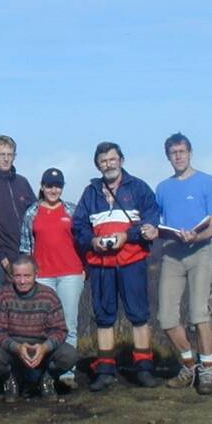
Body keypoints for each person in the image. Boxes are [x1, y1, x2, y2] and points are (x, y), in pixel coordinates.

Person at [72, 141, 162, 391]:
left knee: (139, 315)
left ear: (121, 160)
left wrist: (128, 236)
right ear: (97, 165)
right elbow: (78, 225)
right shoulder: (90, 193)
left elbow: (152, 216)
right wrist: (92, 240)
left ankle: (144, 368)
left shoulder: (139, 188)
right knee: (104, 317)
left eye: (112, 159)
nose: (109, 165)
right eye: (103, 161)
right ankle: (105, 369)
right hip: (101, 263)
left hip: (132, 260)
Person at [156, 132, 212, 395]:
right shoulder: (163, 188)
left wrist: (198, 235)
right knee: (166, 317)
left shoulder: (207, 182)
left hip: (200, 250)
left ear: (190, 153)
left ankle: (208, 368)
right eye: (173, 153)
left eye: (182, 152)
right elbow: (159, 222)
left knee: (199, 313)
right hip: (172, 252)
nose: (178, 157)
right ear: (168, 157)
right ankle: (190, 364)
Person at [18, 167, 82, 389]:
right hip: (43, 276)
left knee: (69, 324)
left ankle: (67, 373)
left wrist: (84, 269)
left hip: (70, 274)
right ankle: (43, 370)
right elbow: (25, 247)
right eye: (49, 185)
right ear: (42, 187)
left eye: (58, 186)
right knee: (42, 327)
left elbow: (82, 242)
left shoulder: (72, 211)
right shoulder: (32, 212)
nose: (53, 190)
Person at [0, 255, 78, 402]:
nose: (22, 281)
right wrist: (17, 347)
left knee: (69, 354)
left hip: (42, 347)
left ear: (36, 275)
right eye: (17, 276)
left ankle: (47, 379)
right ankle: (10, 380)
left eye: (27, 276)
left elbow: (60, 330)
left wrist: (45, 347)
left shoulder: (48, 295)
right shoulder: (3, 295)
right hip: (13, 348)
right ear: (12, 276)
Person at [0, 135, 36, 278]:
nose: (6, 159)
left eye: (9, 155)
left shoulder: (22, 183)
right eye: (2, 154)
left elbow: (35, 215)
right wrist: (2, 258)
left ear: (14, 156)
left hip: (27, 256)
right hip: (0, 259)